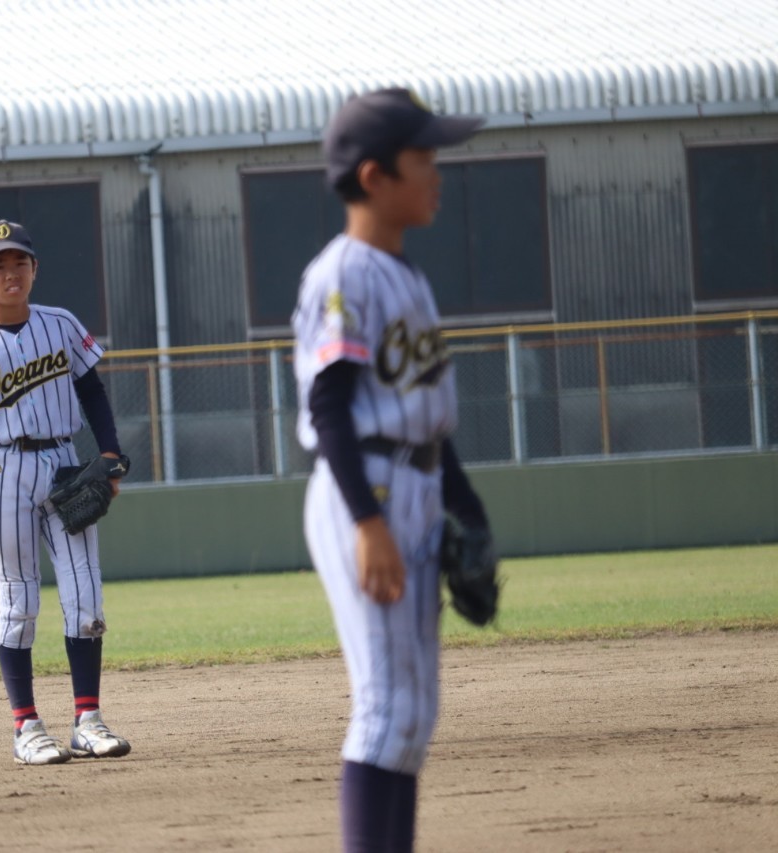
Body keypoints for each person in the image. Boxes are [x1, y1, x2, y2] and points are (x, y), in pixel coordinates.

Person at [291, 89, 493, 852]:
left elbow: (429, 418)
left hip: (414, 482)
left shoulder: (405, 273)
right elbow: (331, 407)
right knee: (383, 709)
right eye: (425, 159)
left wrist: (467, 511)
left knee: (411, 718)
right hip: (364, 492)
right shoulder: (344, 274)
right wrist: (369, 523)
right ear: (375, 175)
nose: (437, 172)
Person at [0, 219, 131, 766]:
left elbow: (91, 391)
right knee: (20, 600)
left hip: (64, 462)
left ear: (34, 269)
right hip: (2, 470)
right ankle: (26, 726)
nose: (11, 273)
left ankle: (88, 720)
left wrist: (111, 454)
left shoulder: (61, 324)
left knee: (86, 598)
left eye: (19, 262)